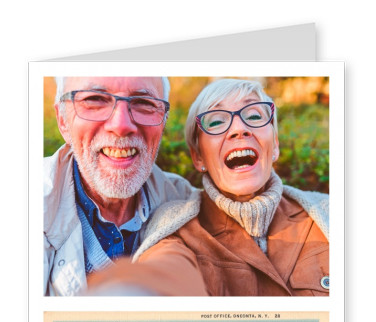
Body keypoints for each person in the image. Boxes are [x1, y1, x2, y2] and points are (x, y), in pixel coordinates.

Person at [87, 78, 329, 296]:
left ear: (274, 144)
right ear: (198, 157)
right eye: (216, 121)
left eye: (254, 116)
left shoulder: (328, 213)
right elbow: (165, 271)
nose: (239, 129)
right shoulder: (176, 229)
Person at [44, 76, 198, 296]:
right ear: (62, 120)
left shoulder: (187, 204)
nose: (121, 125)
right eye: (95, 99)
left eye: (144, 103)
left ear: (163, 121)